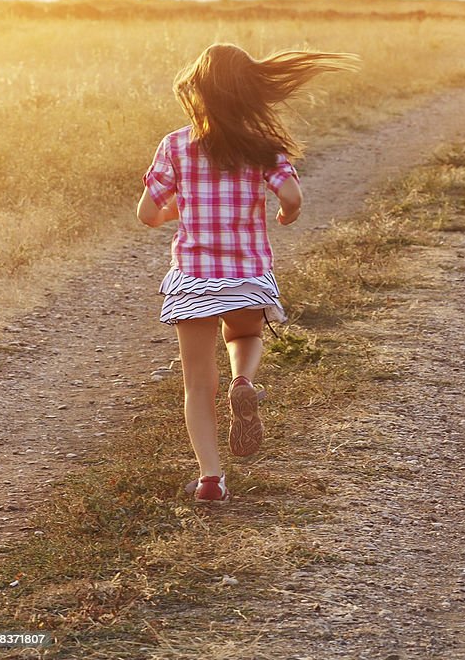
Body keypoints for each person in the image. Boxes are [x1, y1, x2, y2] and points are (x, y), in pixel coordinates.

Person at [137, 42, 359, 503]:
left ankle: (211, 479)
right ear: (250, 93)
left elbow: (147, 213)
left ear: (197, 90)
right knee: (242, 337)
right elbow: (293, 198)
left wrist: (176, 210)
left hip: (194, 277)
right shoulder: (263, 147)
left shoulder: (176, 145)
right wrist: (285, 217)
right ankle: (244, 381)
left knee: (198, 385)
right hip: (246, 273)